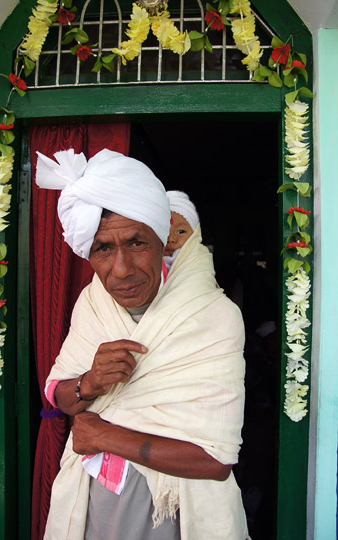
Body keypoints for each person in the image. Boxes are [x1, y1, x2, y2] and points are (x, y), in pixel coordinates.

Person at [35, 148, 248, 540]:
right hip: (97, 503)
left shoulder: (214, 315)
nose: (122, 270)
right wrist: (90, 383)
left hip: (181, 512)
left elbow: (217, 460)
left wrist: (104, 435)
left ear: (162, 239)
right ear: (89, 254)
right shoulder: (92, 303)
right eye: (103, 248)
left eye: (137, 243)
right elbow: (63, 398)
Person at [163, 190, 199, 272]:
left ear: (194, 236)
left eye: (180, 232)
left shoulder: (199, 268)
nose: (170, 239)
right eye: (164, 231)